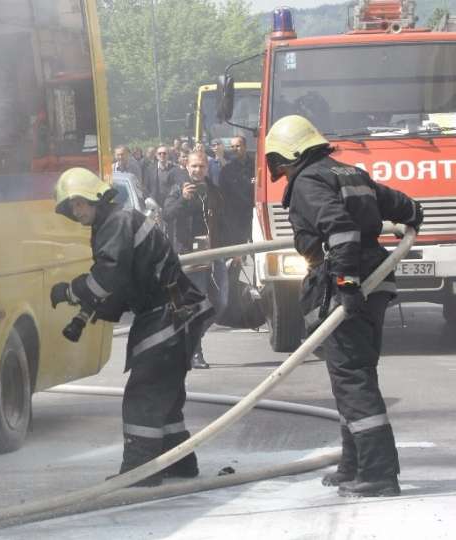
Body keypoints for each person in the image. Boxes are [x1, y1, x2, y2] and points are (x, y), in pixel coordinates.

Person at [264, 115, 423, 498]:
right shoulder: (350, 172)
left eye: (282, 167)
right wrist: (404, 225)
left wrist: (346, 281)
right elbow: (408, 208)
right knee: (352, 375)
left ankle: (379, 473)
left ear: (292, 154)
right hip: (375, 282)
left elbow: (339, 229)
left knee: (352, 377)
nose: (283, 175)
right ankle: (355, 464)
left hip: (347, 284)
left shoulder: (308, 182)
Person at [50, 167, 213, 486]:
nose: (77, 211)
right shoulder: (113, 222)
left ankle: (141, 468)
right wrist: (97, 305)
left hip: (169, 313)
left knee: (145, 392)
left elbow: (108, 275)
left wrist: (72, 291)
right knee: (164, 394)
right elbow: (125, 283)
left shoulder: (116, 222)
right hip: (173, 311)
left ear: (97, 197)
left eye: (80, 203)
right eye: (72, 207)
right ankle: (178, 460)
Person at [163, 151, 230, 369]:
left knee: (220, 302)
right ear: (186, 166)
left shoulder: (214, 190)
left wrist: (237, 249)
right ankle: (195, 351)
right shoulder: (178, 189)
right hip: (190, 254)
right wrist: (184, 199)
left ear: (207, 168)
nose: (197, 170)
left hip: (215, 252)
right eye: (193, 166)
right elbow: (167, 214)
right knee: (198, 305)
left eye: (201, 166)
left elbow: (224, 220)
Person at [218, 136, 255, 246]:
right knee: (238, 248)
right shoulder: (227, 169)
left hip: (253, 212)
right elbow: (222, 193)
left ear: (245, 147)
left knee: (256, 246)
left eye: (238, 146)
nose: (234, 149)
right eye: (232, 147)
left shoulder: (256, 165)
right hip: (236, 215)